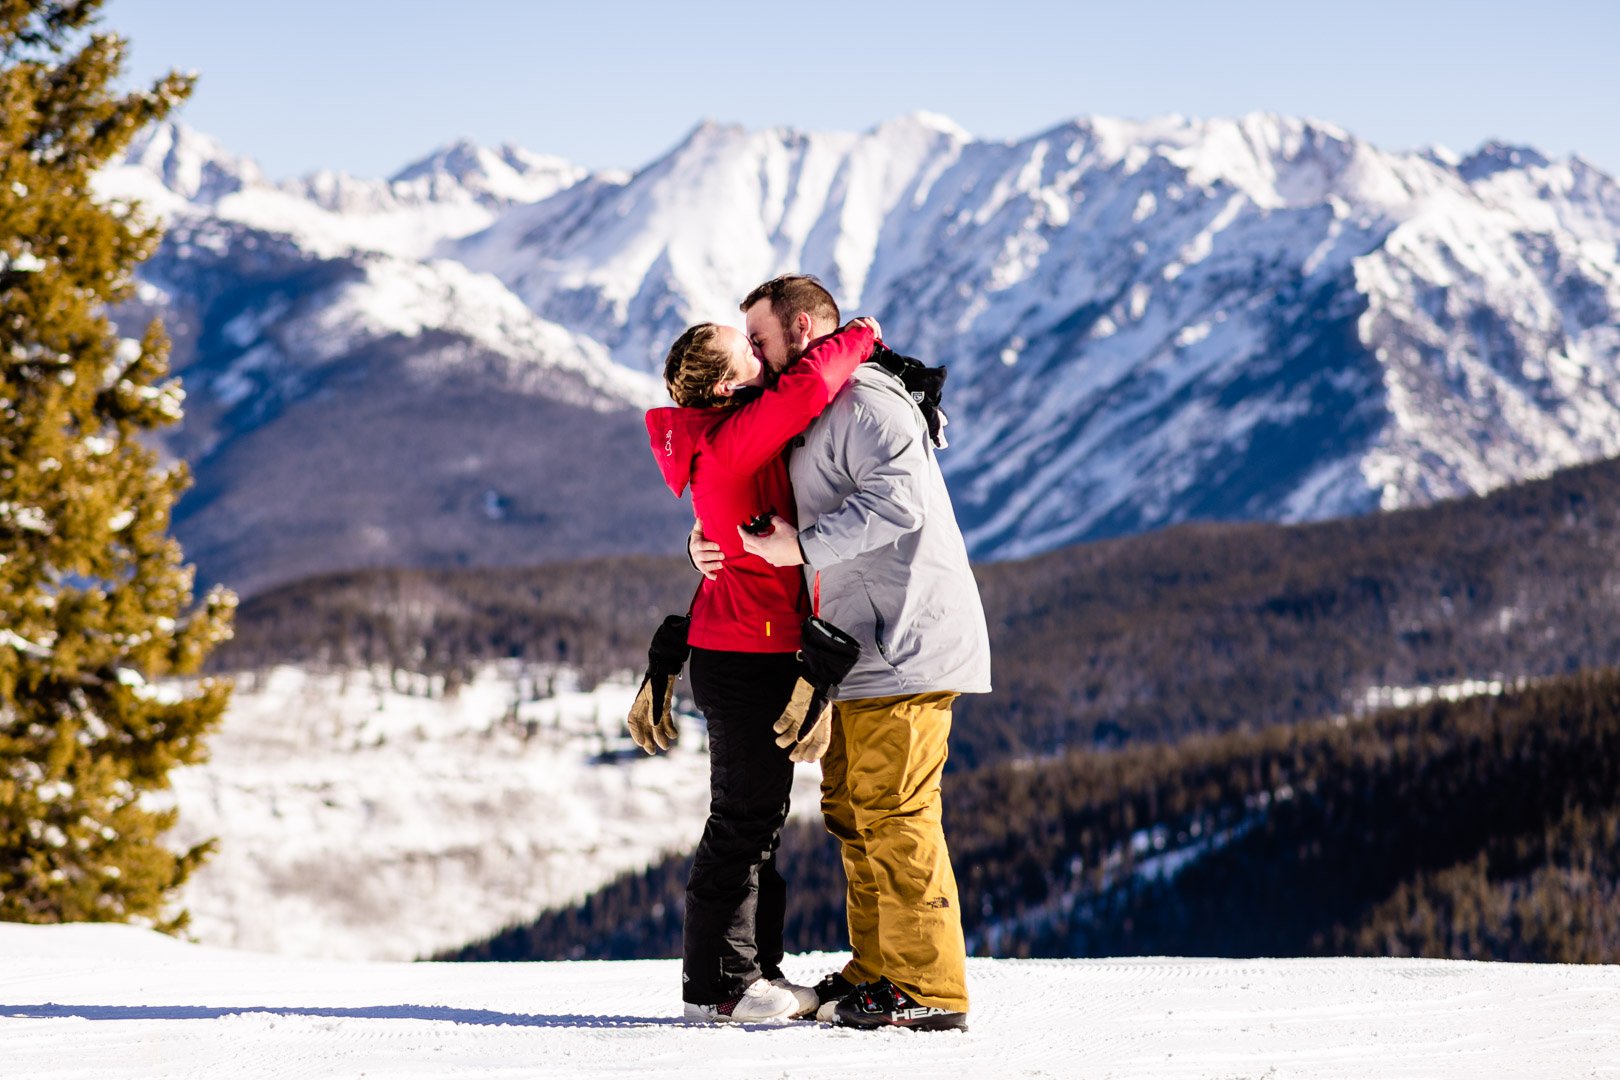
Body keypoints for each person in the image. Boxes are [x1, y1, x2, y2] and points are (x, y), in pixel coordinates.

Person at [716, 274, 992, 1031]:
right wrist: (718, 543)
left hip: (907, 639)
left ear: (803, 330)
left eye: (761, 340)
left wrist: (799, 546)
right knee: (854, 811)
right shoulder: (810, 413)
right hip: (856, 649)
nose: (755, 358)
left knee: (896, 813)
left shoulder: (864, 401)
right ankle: (879, 970)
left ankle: (928, 988)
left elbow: (899, 503)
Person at [644, 313, 880, 1023]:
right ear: (724, 385)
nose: (758, 353)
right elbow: (806, 388)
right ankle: (722, 987)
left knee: (757, 822)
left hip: (748, 648)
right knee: (742, 823)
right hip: (745, 656)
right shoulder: (732, 436)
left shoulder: (723, 441)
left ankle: (751, 973)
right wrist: (863, 333)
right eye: (745, 349)